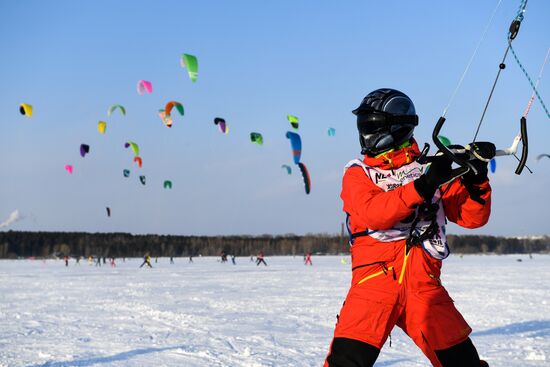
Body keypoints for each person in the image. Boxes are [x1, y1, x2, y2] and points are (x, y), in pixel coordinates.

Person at [324, 89, 493, 367]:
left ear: (397, 127)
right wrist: (423, 186)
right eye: (363, 127)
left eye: (371, 127)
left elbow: (471, 217)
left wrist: (477, 180)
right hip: (373, 288)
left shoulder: (431, 167)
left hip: (425, 290)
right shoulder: (358, 173)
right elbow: (374, 214)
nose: (365, 134)